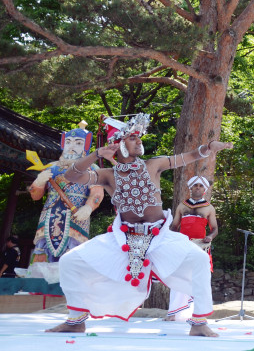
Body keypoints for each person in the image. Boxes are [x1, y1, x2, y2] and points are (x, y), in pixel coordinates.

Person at [45, 113, 233, 337]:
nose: (139, 141)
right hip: (122, 239)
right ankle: (76, 320)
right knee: (70, 261)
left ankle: (199, 322)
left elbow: (189, 156)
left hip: (160, 236)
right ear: (118, 144)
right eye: (132, 138)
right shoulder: (107, 175)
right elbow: (71, 176)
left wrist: (209, 147)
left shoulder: (154, 165)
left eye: (139, 137)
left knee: (200, 260)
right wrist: (96, 154)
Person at [25, 122, 105, 281]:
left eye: (78, 143)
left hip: (76, 216)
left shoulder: (92, 168)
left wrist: (88, 208)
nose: (72, 147)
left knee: (73, 250)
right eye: (68, 142)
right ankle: (37, 283)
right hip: (49, 215)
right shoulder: (51, 167)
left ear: (86, 146)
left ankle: (70, 283)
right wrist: (39, 182)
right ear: (63, 144)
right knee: (42, 248)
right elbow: (35, 195)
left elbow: (97, 193)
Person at [166, 175, 218, 321]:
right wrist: (171, 240)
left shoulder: (209, 208)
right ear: (190, 188)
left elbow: (215, 229)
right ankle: (173, 314)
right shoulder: (182, 206)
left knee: (199, 279)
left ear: (204, 189)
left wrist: (210, 237)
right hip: (182, 246)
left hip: (200, 246)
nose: (198, 188)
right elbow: (174, 227)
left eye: (201, 186)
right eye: (195, 185)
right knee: (178, 277)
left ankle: (198, 315)